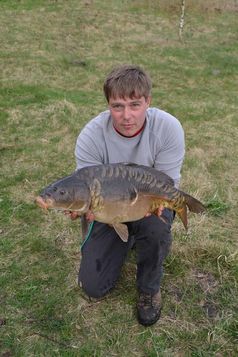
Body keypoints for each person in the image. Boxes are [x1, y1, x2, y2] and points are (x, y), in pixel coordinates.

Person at [69, 64, 185, 326]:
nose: (126, 115)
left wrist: (156, 207)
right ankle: (126, 239)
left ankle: (148, 288)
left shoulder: (168, 128)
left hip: (149, 202)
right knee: (93, 287)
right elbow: (85, 189)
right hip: (106, 210)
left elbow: (168, 186)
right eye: (117, 106)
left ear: (148, 102)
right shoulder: (91, 136)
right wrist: (83, 209)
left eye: (135, 104)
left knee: (156, 229)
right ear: (108, 105)